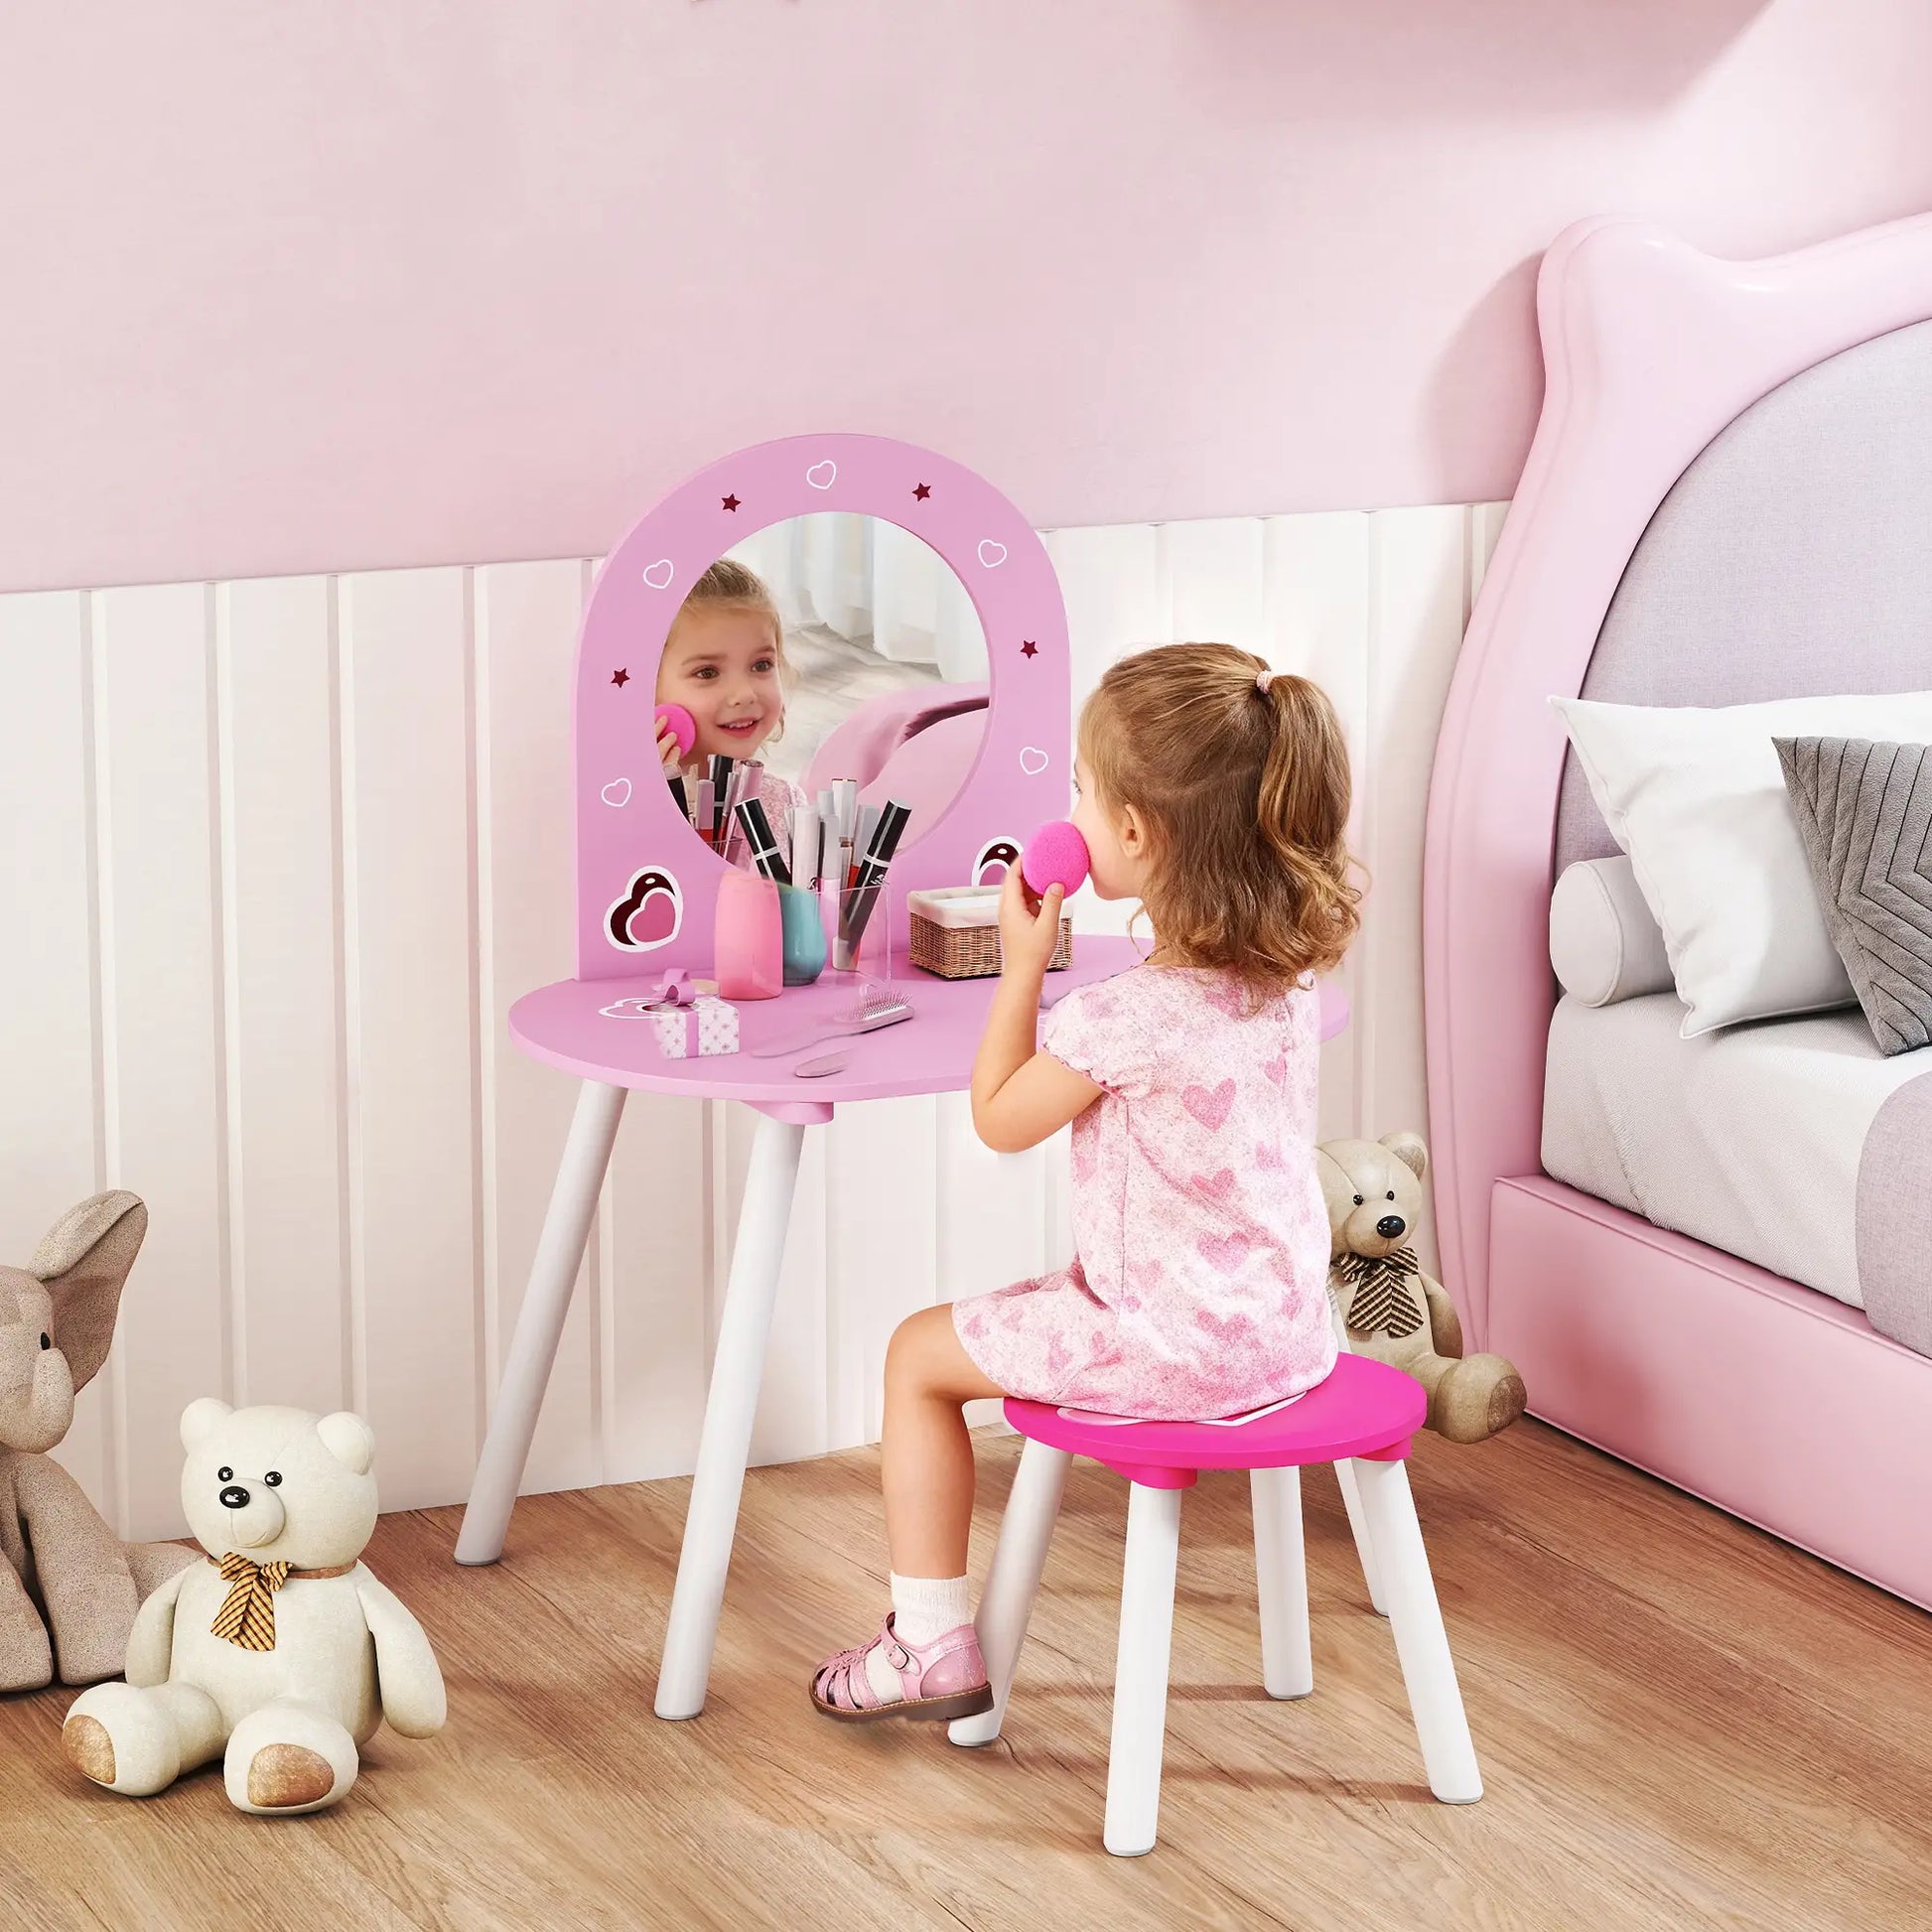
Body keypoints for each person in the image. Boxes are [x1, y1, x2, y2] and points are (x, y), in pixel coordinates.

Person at [810, 642, 1362, 1723]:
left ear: (1133, 835)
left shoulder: (1123, 1017)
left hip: (1171, 1348)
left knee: (917, 1355)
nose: (1069, 808)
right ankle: (925, 1638)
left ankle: (925, 1640)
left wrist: (1020, 964)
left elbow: (998, 1117)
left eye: (1080, 788)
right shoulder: (1286, 976)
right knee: (1002, 1315)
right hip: (1289, 1332)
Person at [656, 558, 802, 864]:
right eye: (707, 672)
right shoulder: (628, 808)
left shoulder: (786, 804)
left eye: (761, 665)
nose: (744, 694)